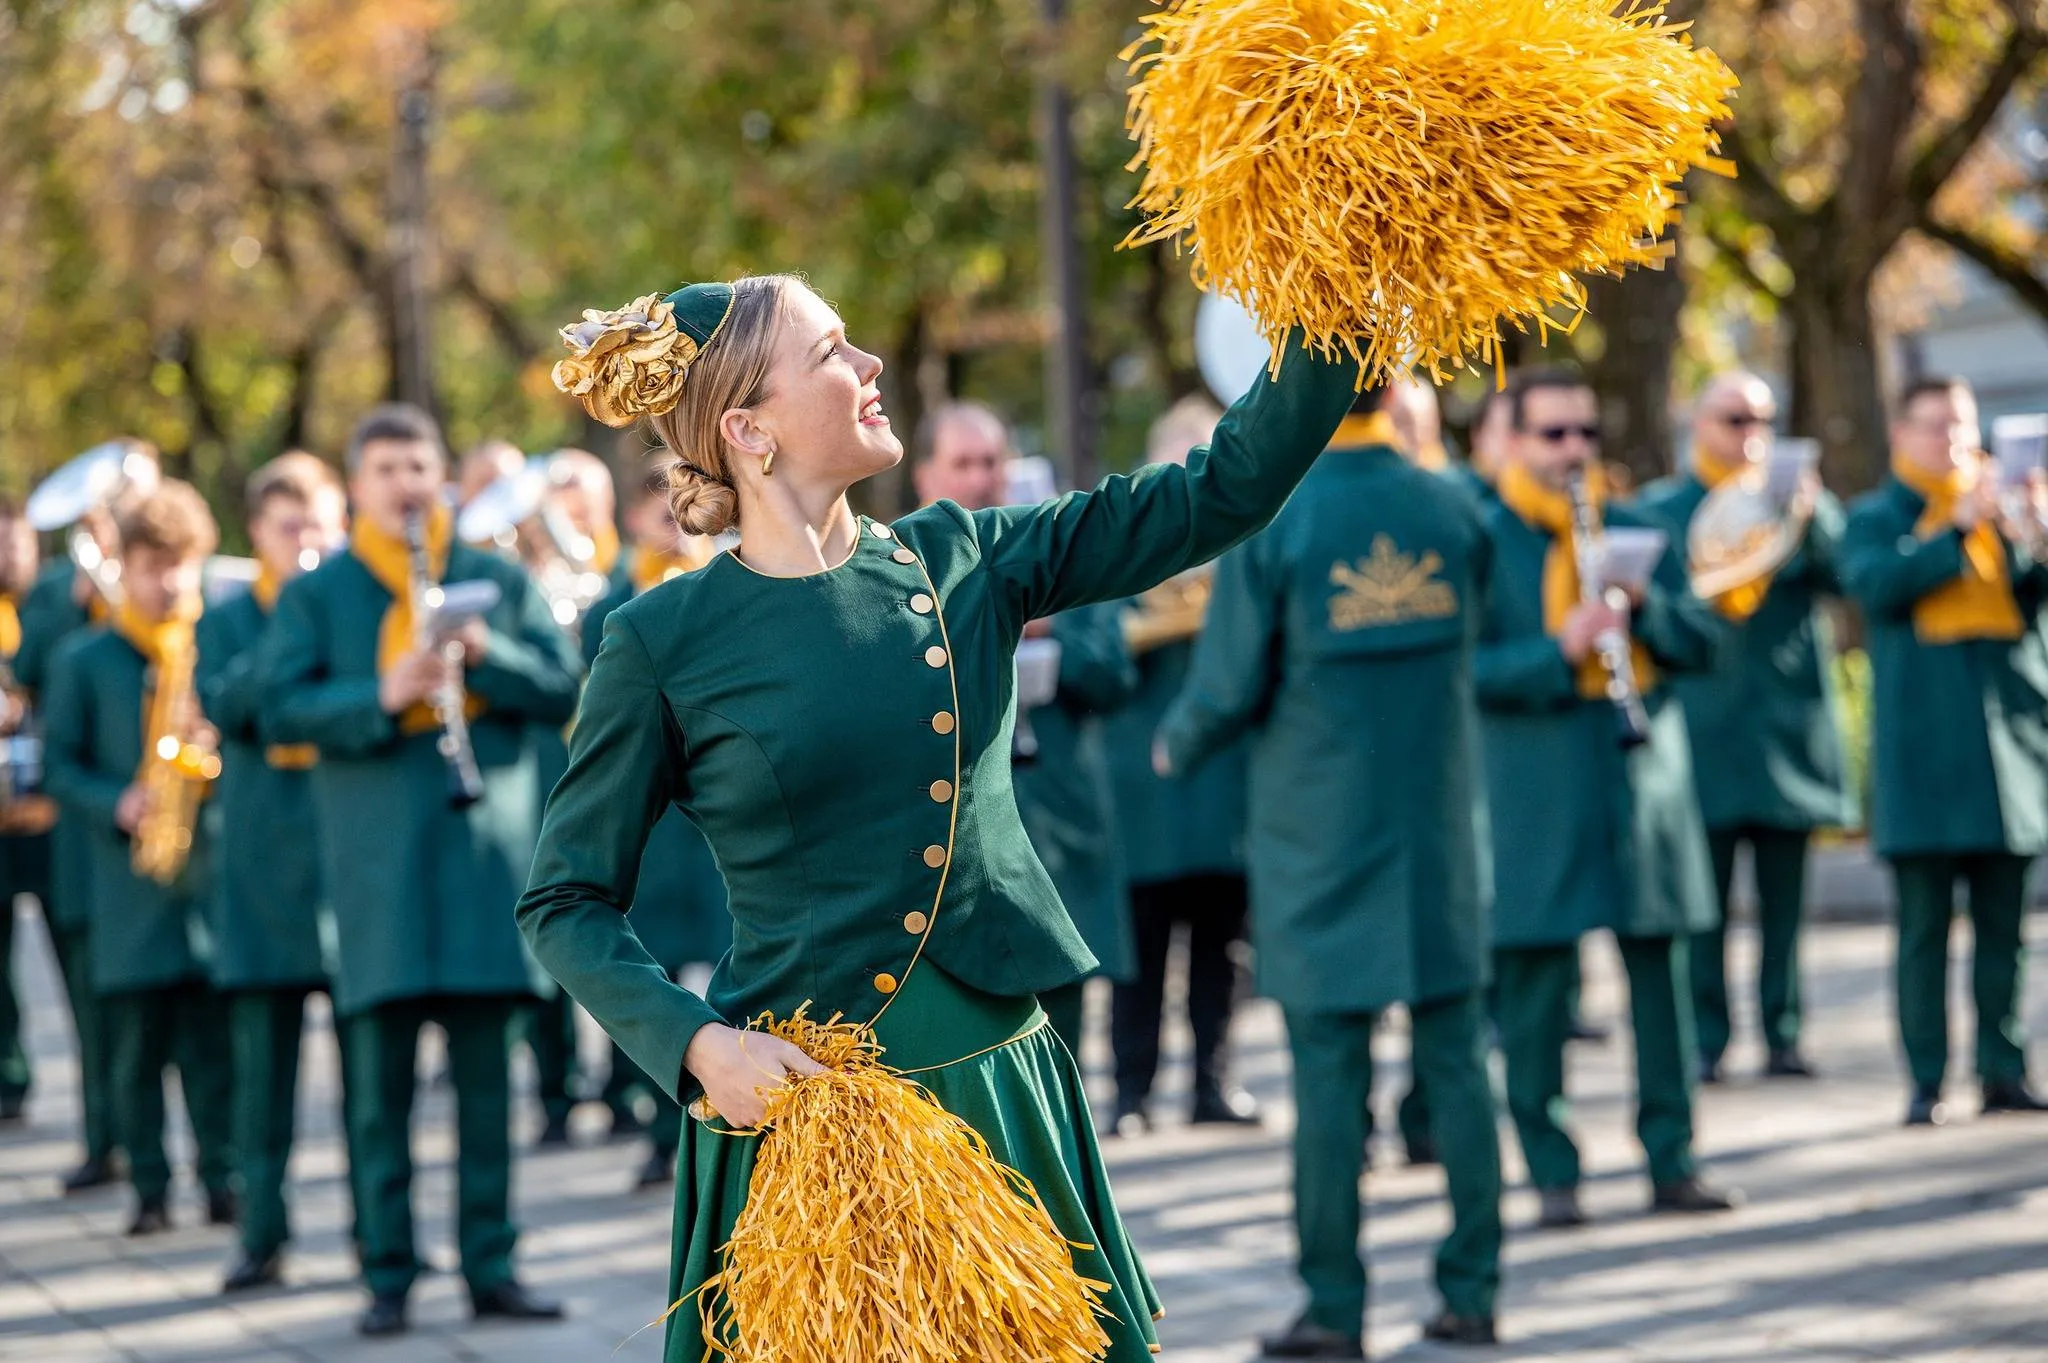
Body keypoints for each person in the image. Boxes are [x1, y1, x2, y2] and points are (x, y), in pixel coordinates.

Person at [519, 274, 1359, 1361]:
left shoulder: (966, 557)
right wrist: (698, 1047)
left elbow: (1220, 492)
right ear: (748, 429)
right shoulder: (658, 639)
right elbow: (565, 899)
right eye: (830, 351)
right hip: (803, 1120)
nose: (869, 363)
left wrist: (1333, 299)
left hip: (996, 1082)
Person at [1160, 385, 1503, 1358]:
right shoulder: (1454, 505)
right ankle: (1473, 1289)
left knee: (1326, 1086)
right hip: (1437, 834)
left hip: (1317, 841)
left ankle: (1334, 1307)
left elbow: (1226, 686)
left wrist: (1175, 743)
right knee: (1457, 1069)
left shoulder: (1279, 516)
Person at [260, 403, 580, 1335]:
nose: (405, 485)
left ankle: (492, 1264)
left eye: (418, 467)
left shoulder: (493, 577)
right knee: (377, 1098)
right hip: (378, 877)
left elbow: (566, 683)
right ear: (355, 486)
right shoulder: (320, 595)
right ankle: (386, 1275)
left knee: (488, 1092)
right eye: (386, 470)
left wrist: (489, 654)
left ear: (441, 478)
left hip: (482, 871)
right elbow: (277, 708)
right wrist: (383, 690)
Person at [1478, 368, 1736, 1226]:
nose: (1574, 449)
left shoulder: (1637, 526)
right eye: (1554, 434)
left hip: (1639, 784)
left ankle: (1673, 1159)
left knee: (1660, 978)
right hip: (1535, 788)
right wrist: (1558, 649)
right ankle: (1552, 1170)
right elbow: (1465, 672)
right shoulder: (1486, 537)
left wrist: (1644, 608)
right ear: (1515, 441)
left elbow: (1706, 642)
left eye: (1585, 432)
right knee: (1535, 990)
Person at [1840, 376, 2048, 1126]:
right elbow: (1875, 586)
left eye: (1961, 425)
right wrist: (1953, 531)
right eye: (1935, 426)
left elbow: (2032, 603)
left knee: (2005, 930)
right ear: (1901, 435)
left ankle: (2003, 1067)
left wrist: (2036, 531)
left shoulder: (2004, 510)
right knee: (1925, 930)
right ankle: (1926, 1078)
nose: (1952, 440)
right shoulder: (1876, 517)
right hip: (1924, 756)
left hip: (2007, 754)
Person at [1635, 372, 1852, 1084]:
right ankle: (1707, 1037)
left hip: (1784, 728)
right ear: (1698, 424)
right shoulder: (1663, 510)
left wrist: (1812, 516)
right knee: (1703, 905)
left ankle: (1783, 1031)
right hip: (1703, 729)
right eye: (1734, 418)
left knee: (1787, 904)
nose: (1751, 433)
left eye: (1762, 419)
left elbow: (1847, 577)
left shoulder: (1796, 503)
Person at [912, 403, 1138, 1054]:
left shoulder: (1051, 549)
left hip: (1057, 824)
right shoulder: (899, 564)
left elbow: (1113, 672)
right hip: (953, 847)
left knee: (1063, 1041)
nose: (980, 478)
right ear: (925, 475)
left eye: (991, 462)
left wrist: (1049, 631)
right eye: (962, 463)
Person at [43, 479, 236, 1235]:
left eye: (183, 564)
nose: (171, 583)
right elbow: (59, 763)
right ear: (124, 564)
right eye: (155, 566)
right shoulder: (85, 657)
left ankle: (222, 1179)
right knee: (134, 1051)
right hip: (123, 884)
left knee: (211, 1048)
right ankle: (149, 1188)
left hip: (204, 876)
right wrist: (114, 800)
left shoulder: (212, 645)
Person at [196, 452, 357, 1290]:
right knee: (262, 1077)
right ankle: (261, 1234)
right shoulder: (227, 618)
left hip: (345, 866)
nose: (304, 540)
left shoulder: (353, 609)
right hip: (261, 872)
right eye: (288, 526)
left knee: (370, 1082)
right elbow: (227, 703)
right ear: (257, 533)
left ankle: (379, 1241)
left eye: (318, 524)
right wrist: (292, 623)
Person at [1102, 395, 1262, 1134]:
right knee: (1139, 951)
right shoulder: (1117, 551)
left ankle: (1212, 1083)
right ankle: (1131, 1093)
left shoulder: (1244, 553)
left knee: (1221, 949)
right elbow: (1097, 656)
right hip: (1140, 787)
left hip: (1223, 783)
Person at [579, 466, 730, 1189]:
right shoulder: (610, 602)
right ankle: (660, 1125)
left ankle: (721, 1119)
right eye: (658, 510)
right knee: (653, 973)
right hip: (655, 821)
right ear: (635, 518)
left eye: (683, 508)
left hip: (715, 818)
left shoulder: (730, 580)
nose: (672, 522)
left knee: (726, 970)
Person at [16, 438, 161, 1193]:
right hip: (83, 837)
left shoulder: (172, 577)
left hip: (160, 818)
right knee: (90, 1001)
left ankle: (167, 1150)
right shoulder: (53, 589)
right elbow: (23, 674)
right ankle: (104, 1137)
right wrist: (75, 603)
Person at [0, 499, 51, 1125]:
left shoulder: (55, 606)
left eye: (16, 542)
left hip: (47, 811)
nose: (8, 554)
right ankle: (8, 1078)